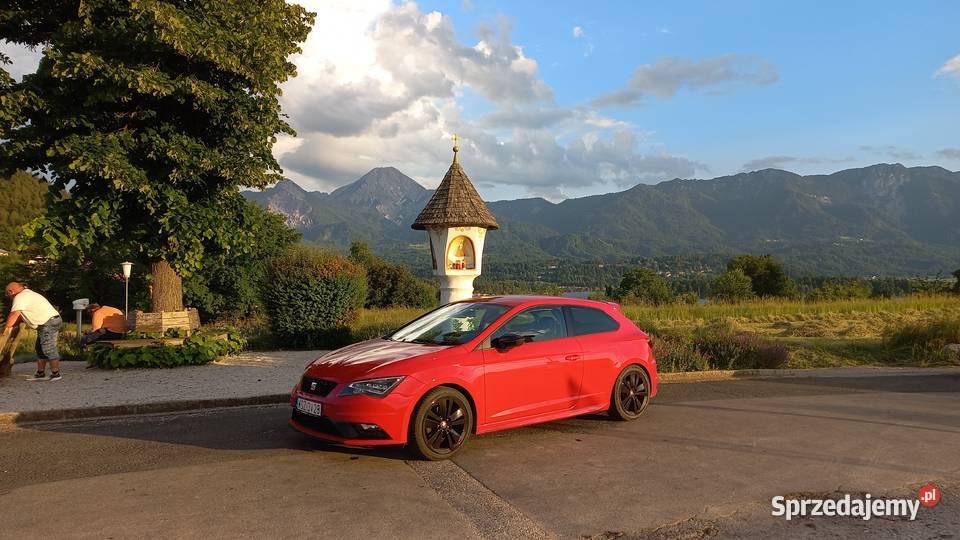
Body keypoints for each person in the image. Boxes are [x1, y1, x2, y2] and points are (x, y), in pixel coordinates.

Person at [4, 282, 62, 381]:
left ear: (11, 291)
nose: (9, 297)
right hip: (50, 321)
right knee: (40, 348)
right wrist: (13, 324)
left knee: (48, 348)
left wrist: (5, 330)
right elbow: (20, 317)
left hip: (47, 322)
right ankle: (40, 373)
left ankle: (55, 374)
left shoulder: (20, 297)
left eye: (7, 295)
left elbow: (14, 314)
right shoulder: (28, 294)